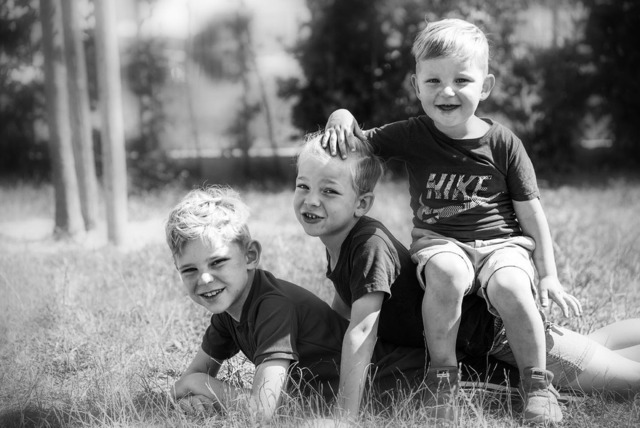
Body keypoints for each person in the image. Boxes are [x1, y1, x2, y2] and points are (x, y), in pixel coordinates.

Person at [321, 18, 584, 425]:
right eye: (434, 81)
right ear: (416, 86)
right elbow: (357, 142)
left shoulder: (503, 143)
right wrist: (340, 114)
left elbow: (533, 215)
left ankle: (536, 383)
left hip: (502, 244)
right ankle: (442, 378)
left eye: (462, 80)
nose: (446, 91)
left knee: (512, 286)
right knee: (446, 273)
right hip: (440, 242)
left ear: (486, 86)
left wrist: (548, 276)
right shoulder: (412, 134)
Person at [293, 132, 512, 422]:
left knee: (571, 375)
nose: (311, 200)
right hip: (459, 348)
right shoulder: (338, 238)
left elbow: (362, 333)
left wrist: (344, 417)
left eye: (329, 191)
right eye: (303, 186)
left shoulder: (369, 245)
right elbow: (343, 308)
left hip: (492, 334)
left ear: (361, 204)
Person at [165, 186, 429, 422]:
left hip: (401, 381)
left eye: (218, 262)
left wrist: (200, 384)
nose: (205, 279)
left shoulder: (272, 307)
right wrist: (193, 395)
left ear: (250, 256)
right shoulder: (228, 311)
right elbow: (186, 382)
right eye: (189, 270)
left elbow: (261, 410)